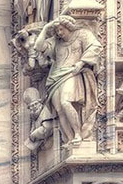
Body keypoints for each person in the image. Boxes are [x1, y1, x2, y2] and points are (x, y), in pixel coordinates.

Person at [34, 16, 102, 146]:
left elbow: (95, 47)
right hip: (55, 78)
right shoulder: (56, 42)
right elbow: (38, 46)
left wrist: (81, 63)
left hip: (72, 73)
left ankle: (78, 133)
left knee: (66, 102)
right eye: (57, 30)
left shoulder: (82, 34)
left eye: (61, 29)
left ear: (68, 26)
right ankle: (70, 139)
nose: (59, 33)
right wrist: (46, 28)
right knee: (59, 110)